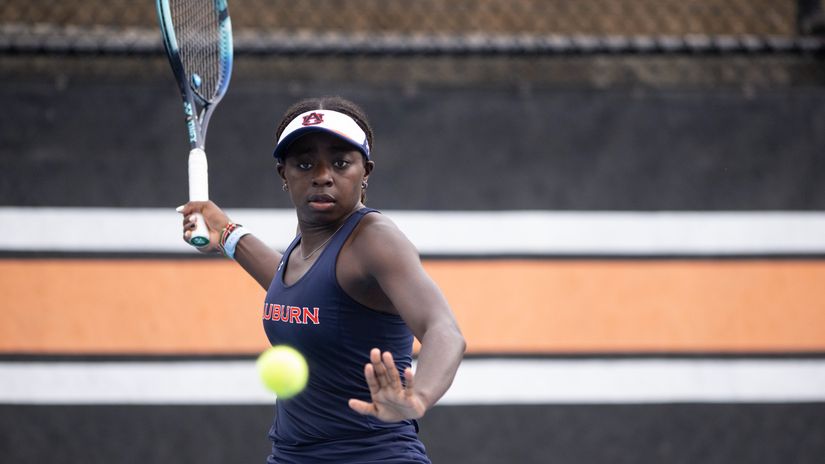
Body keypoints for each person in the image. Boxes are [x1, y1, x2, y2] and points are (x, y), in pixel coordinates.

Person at [178, 96, 466, 463]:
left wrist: (418, 397)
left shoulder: (374, 239)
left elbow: (444, 329)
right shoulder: (307, 247)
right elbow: (297, 293)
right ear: (285, 175)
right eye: (305, 163)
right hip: (292, 456)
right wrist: (228, 235)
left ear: (366, 172)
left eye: (341, 162)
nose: (322, 175)